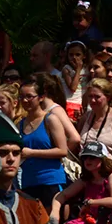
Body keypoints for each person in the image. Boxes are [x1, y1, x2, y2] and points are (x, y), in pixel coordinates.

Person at [50, 141, 112, 224]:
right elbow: (62, 195)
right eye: (85, 157)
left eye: (92, 157)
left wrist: (91, 202)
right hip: (89, 221)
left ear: (102, 159)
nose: (88, 160)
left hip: (108, 223)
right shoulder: (86, 180)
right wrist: (55, 212)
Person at [18, 75, 69, 210]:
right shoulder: (20, 124)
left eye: (29, 96)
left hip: (50, 181)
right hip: (29, 182)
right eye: (22, 97)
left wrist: (32, 152)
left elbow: (62, 150)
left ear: (41, 97)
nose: (25, 100)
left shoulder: (50, 119)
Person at [77, 79, 112, 163]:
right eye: (90, 96)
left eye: (97, 97)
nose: (93, 100)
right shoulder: (86, 117)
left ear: (108, 97)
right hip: (85, 170)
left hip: (108, 172)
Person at [61, 41, 90, 119]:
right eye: (71, 55)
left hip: (82, 104)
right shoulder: (66, 69)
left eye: (78, 55)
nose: (74, 57)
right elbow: (73, 88)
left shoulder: (87, 69)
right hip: (70, 103)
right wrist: (78, 70)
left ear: (84, 56)